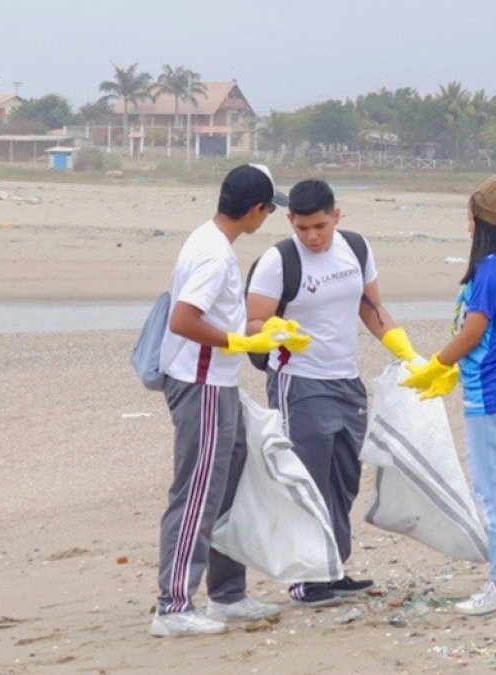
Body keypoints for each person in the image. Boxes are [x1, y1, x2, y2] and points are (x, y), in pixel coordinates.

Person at [150, 164, 311, 638]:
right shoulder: (213, 256)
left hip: (217, 383)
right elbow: (183, 319)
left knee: (228, 480)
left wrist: (266, 333)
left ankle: (226, 593)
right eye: (269, 209)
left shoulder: (211, 239)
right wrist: (239, 344)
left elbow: (222, 316)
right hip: (199, 385)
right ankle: (174, 605)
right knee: (197, 491)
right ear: (256, 210)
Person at [246, 179, 419, 607]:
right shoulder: (277, 261)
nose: (311, 236)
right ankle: (306, 577)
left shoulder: (356, 249)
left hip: (346, 380)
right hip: (299, 380)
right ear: (290, 221)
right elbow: (251, 324)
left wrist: (406, 352)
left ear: (336, 216)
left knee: (343, 480)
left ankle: (333, 568)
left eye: (319, 226)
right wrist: (274, 331)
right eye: (302, 228)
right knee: (306, 478)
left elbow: (371, 307)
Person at [402, 173, 496, 616]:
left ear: (482, 218)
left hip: (493, 387)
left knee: (492, 490)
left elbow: (474, 330)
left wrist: (436, 365)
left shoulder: (492, 267)